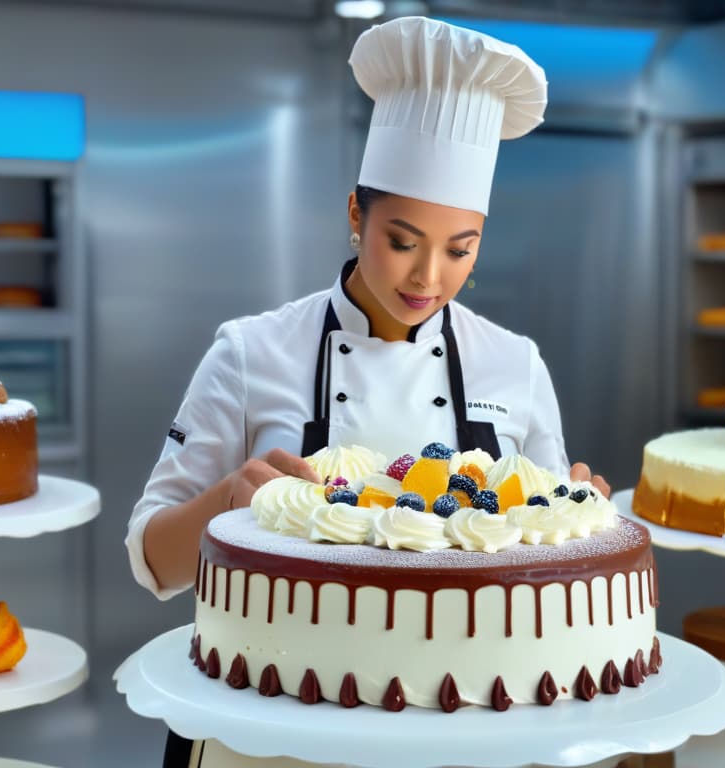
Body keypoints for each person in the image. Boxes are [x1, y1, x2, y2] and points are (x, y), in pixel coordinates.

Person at [127, 16, 610, 768]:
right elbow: (154, 560)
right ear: (357, 215)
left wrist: (572, 508)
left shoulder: (513, 364)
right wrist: (228, 499)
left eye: (459, 250)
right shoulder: (252, 352)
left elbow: (538, 535)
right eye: (402, 240)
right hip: (269, 733)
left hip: (464, 732)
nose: (427, 279)